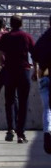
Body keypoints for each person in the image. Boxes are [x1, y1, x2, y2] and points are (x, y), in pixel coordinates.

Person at [0, 15, 36, 143]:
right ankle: (21, 134)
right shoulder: (27, 36)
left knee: (9, 101)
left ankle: (10, 129)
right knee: (23, 102)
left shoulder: (6, 37)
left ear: (11, 24)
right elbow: (34, 55)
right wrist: (35, 71)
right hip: (23, 71)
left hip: (9, 71)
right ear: (21, 24)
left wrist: (1, 64)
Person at [32, 17, 51, 155]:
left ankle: (47, 131)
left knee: (47, 108)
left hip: (45, 75)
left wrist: (37, 70)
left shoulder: (44, 37)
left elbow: (34, 54)